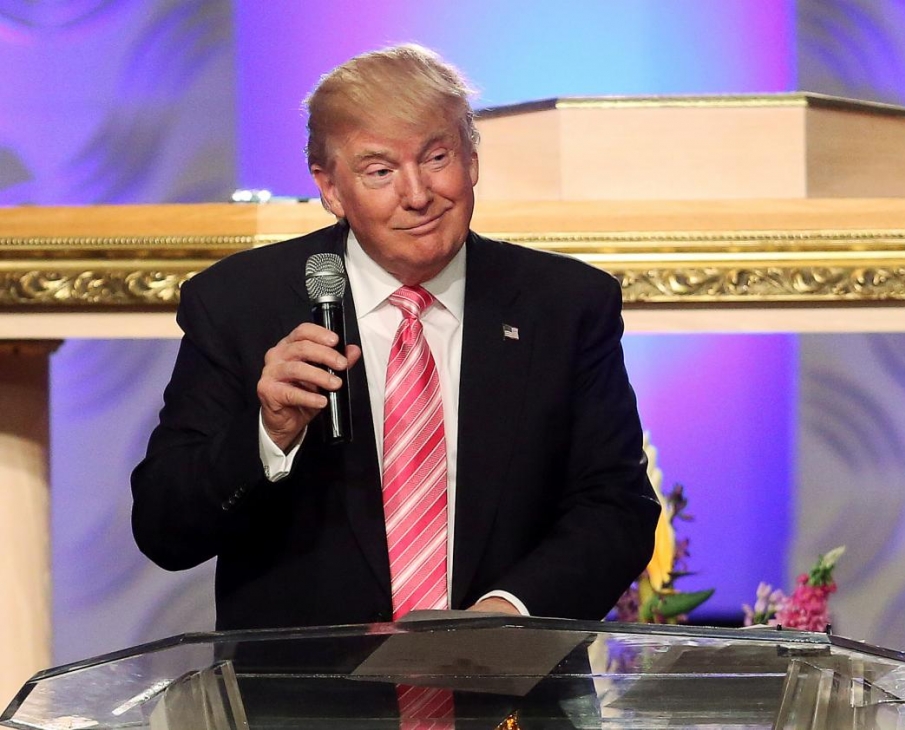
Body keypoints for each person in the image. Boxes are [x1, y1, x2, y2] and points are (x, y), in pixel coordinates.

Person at [131, 44, 659, 631]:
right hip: (306, 701)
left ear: (472, 159)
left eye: (437, 157)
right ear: (330, 188)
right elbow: (163, 530)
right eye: (380, 171)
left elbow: (617, 508)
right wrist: (266, 435)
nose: (417, 194)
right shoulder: (239, 305)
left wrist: (509, 617)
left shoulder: (564, 305)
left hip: (512, 700)